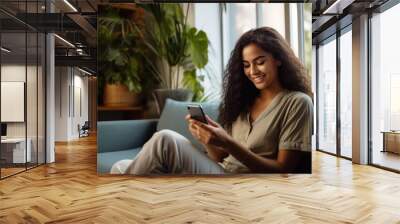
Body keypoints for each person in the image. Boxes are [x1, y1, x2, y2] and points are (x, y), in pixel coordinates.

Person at [110, 27, 313, 174]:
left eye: (260, 62)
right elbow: (220, 157)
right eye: (246, 65)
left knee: (164, 140)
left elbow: (283, 168)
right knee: (120, 167)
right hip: (221, 170)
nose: (253, 71)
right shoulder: (245, 102)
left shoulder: (297, 103)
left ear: (278, 59)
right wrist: (207, 139)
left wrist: (228, 142)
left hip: (244, 183)